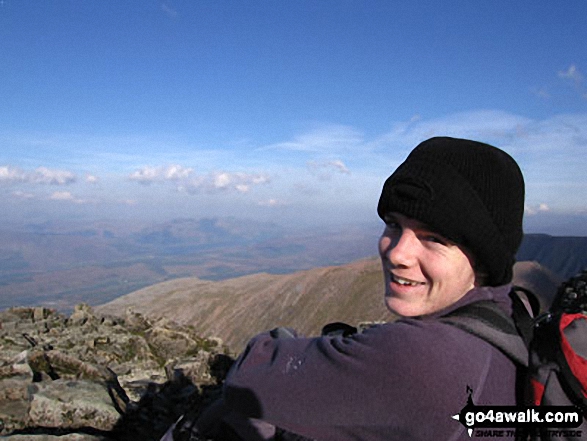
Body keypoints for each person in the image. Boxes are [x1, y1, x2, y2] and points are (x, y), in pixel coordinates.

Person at [161, 136, 527, 441]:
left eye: (434, 238)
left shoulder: (423, 359)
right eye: (394, 225)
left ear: (482, 259)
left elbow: (248, 379)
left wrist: (289, 345)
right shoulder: (511, 320)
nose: (397, 252)